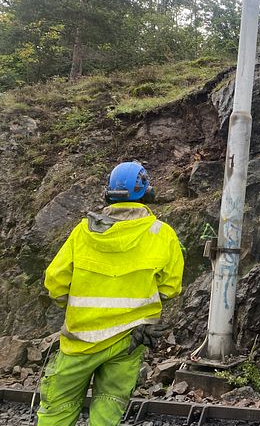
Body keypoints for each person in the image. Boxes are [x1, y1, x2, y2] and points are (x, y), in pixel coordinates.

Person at [38, 161, 184, 426]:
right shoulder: (163, 234)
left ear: (107, 193)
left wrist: (72, 306)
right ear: (148, 193)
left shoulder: (83, 232)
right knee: (109, 405)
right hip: (130, 339)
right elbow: (170, 288)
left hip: (80, 339)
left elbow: (55, 282)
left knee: (58, 406)